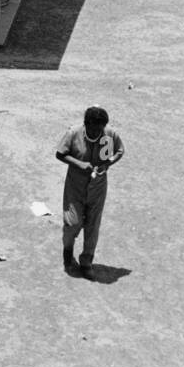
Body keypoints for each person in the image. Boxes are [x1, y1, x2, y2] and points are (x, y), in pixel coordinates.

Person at [56, 106, 125, 276]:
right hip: (75, 186)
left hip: (98, 188)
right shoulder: (73, 133)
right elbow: (60, 153)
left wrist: (108, 163)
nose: (98, 133)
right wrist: (79, 164)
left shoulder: (109, 133)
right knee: (73, 222)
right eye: (94, 129)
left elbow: (120, 151)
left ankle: (86, 262)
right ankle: (68, 253)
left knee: (93, 226)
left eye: (100, 129)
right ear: (86, 124)